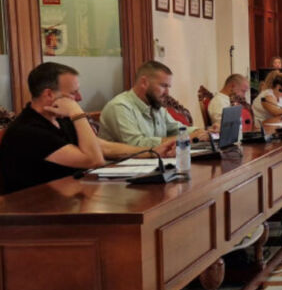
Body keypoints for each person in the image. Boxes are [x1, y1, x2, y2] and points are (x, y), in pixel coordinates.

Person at [0, 63, 174, 193]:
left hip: (70, 197)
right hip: (35, 214)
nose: (80, 98)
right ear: (49, 94)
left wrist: (151, 151)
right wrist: (77, 113)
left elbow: (102, 146)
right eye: (73, 93)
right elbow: (93, 160)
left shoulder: (60, 118)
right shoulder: (28, 130)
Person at [99, 60, 211, 147]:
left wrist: (201, 132)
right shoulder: (120, 107)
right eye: (163, 86)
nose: (167, 92)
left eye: (168, 87)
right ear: (144, 82)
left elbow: (177, 129)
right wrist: (186, 137)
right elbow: (136, 145)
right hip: (122, 173)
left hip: (153, 166)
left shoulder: (156, 105)